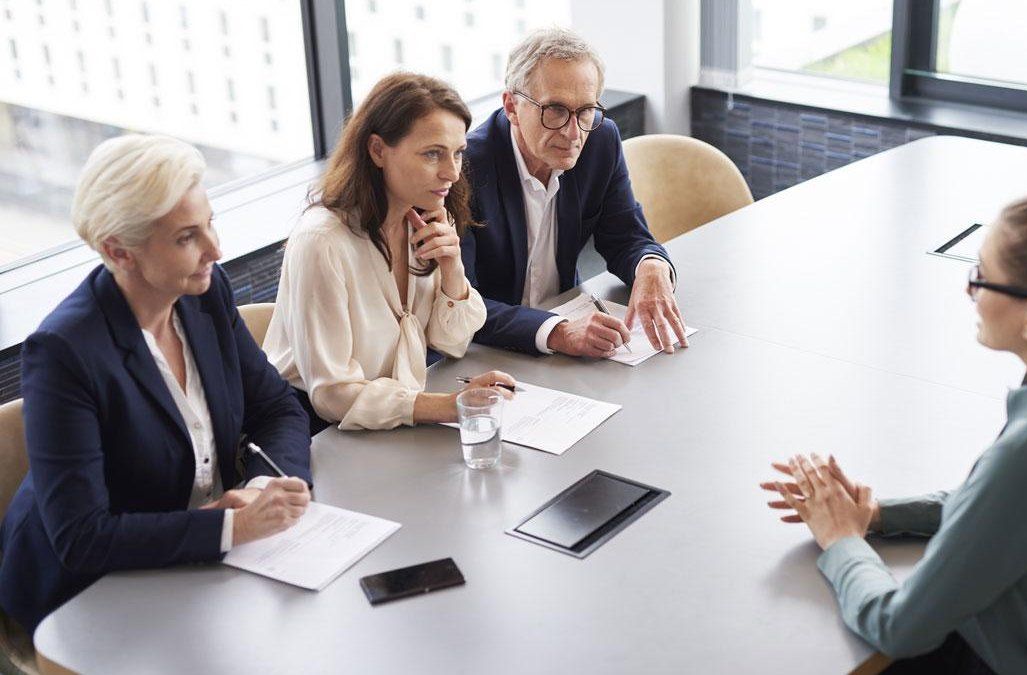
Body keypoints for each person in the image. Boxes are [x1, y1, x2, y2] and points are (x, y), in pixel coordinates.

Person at [762, 190, 1027, 674]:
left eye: (982, 277)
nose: (969, 290)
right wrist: (877, 514)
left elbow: (898, 627)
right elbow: (1009, 508)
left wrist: (841, 539)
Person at [0, 135, 313, 633]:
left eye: (210, 222)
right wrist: (230, 526)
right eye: (187, 237)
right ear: (118, 251)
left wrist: (260, 488)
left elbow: (277, 409)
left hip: (202, 561)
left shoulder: (203, 297)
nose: (215, 248)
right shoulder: (64, 353)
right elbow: (83, 537)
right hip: (89, 591)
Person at [263, 72, 514, 434]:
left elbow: (452, 342)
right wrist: (451, 405)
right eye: (432, 154)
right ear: (378, 150)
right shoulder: (322, 242)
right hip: (319, 434)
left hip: (391, 420)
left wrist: (452, 267)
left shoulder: (422, 217)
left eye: (458, 154)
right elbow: (332, 395)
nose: (451, 173)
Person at [463, 27, 689, 358]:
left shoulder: (600, 141)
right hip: (487, 354)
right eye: (555, 109)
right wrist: (557, 331)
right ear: (511, 106)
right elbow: (458, 305)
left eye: (585, 110)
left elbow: (626, 237)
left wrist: (651, 265)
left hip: (568, 344)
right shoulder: (464, 168)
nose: (573, 133)